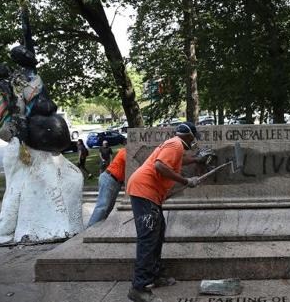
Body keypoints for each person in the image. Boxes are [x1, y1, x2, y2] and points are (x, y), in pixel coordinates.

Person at [126, 122, 207, 302]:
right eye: (194, 137)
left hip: (148, 193)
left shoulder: (174, 146)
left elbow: (175, 162)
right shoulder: (176, 144)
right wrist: (186, 181)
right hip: (144, 190)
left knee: (158, 233)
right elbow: (160, 166)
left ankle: (154, 276)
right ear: (189, 135)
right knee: (148, 238)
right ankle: (139, 288)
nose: (194, 141)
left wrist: (195, 159)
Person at [88, 143, 126, 227]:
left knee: (109, 207)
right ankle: (89, 230)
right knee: (102, 206)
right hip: (109, 178)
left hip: (116, 181)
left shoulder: (127, 152)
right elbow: (132, 164)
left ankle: (98, 227)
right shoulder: (124, 151)